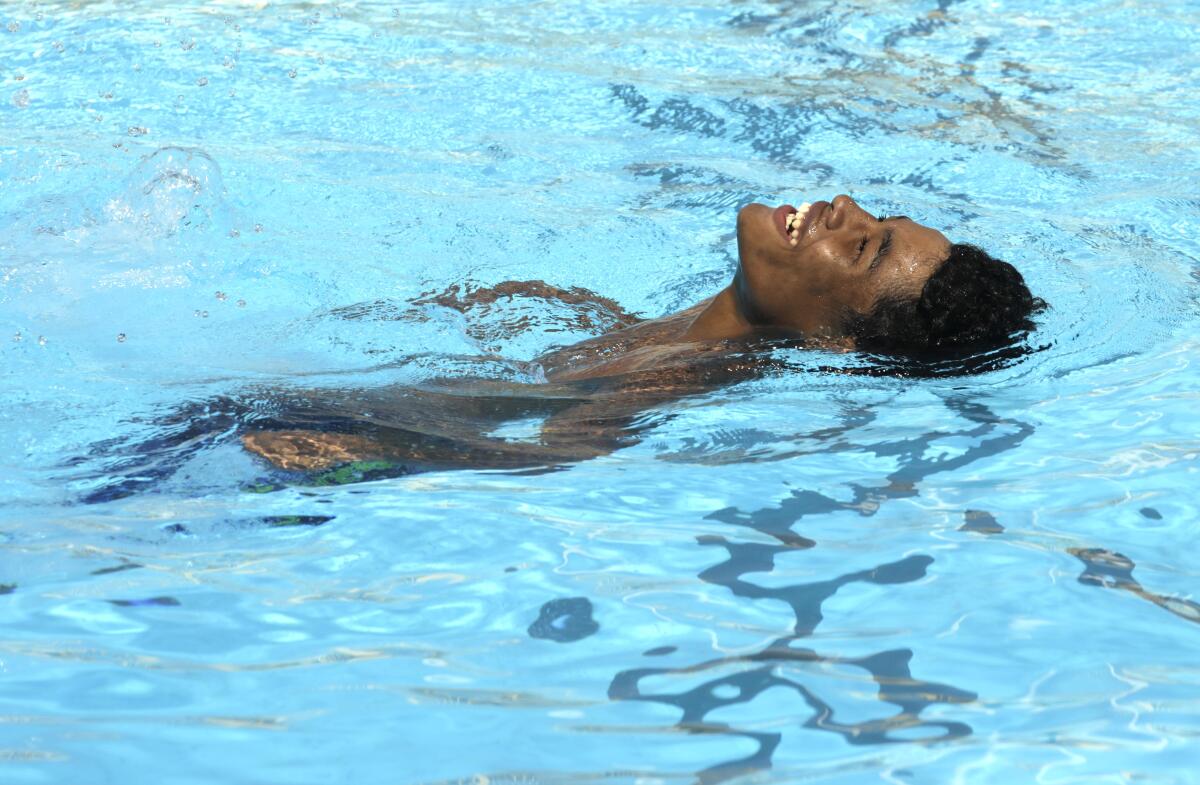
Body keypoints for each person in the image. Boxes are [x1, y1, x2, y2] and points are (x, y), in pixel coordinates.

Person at [238, 194, 1041, 478]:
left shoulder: (683, 376)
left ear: (836, 339)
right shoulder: (683, 337)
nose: (843, 203)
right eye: (878, 216)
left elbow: (560, 454)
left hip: (279, 443)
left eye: (863, 243)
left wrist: (366, 452)